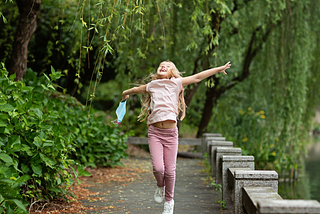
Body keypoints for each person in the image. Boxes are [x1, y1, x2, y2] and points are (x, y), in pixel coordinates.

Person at [122, 60, 231, 214]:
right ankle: (160, 186)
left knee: (170, 171)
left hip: (171, 134)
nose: (163, 66)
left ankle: (169, 202)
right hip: (154, 133)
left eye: (167, 66)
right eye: (161, 65)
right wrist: (125, 93)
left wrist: (219, 69)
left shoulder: (176, 83)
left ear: (172, 72)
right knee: (158, 168)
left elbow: (198, 77)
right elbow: (136, 89)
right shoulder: (152, 85)